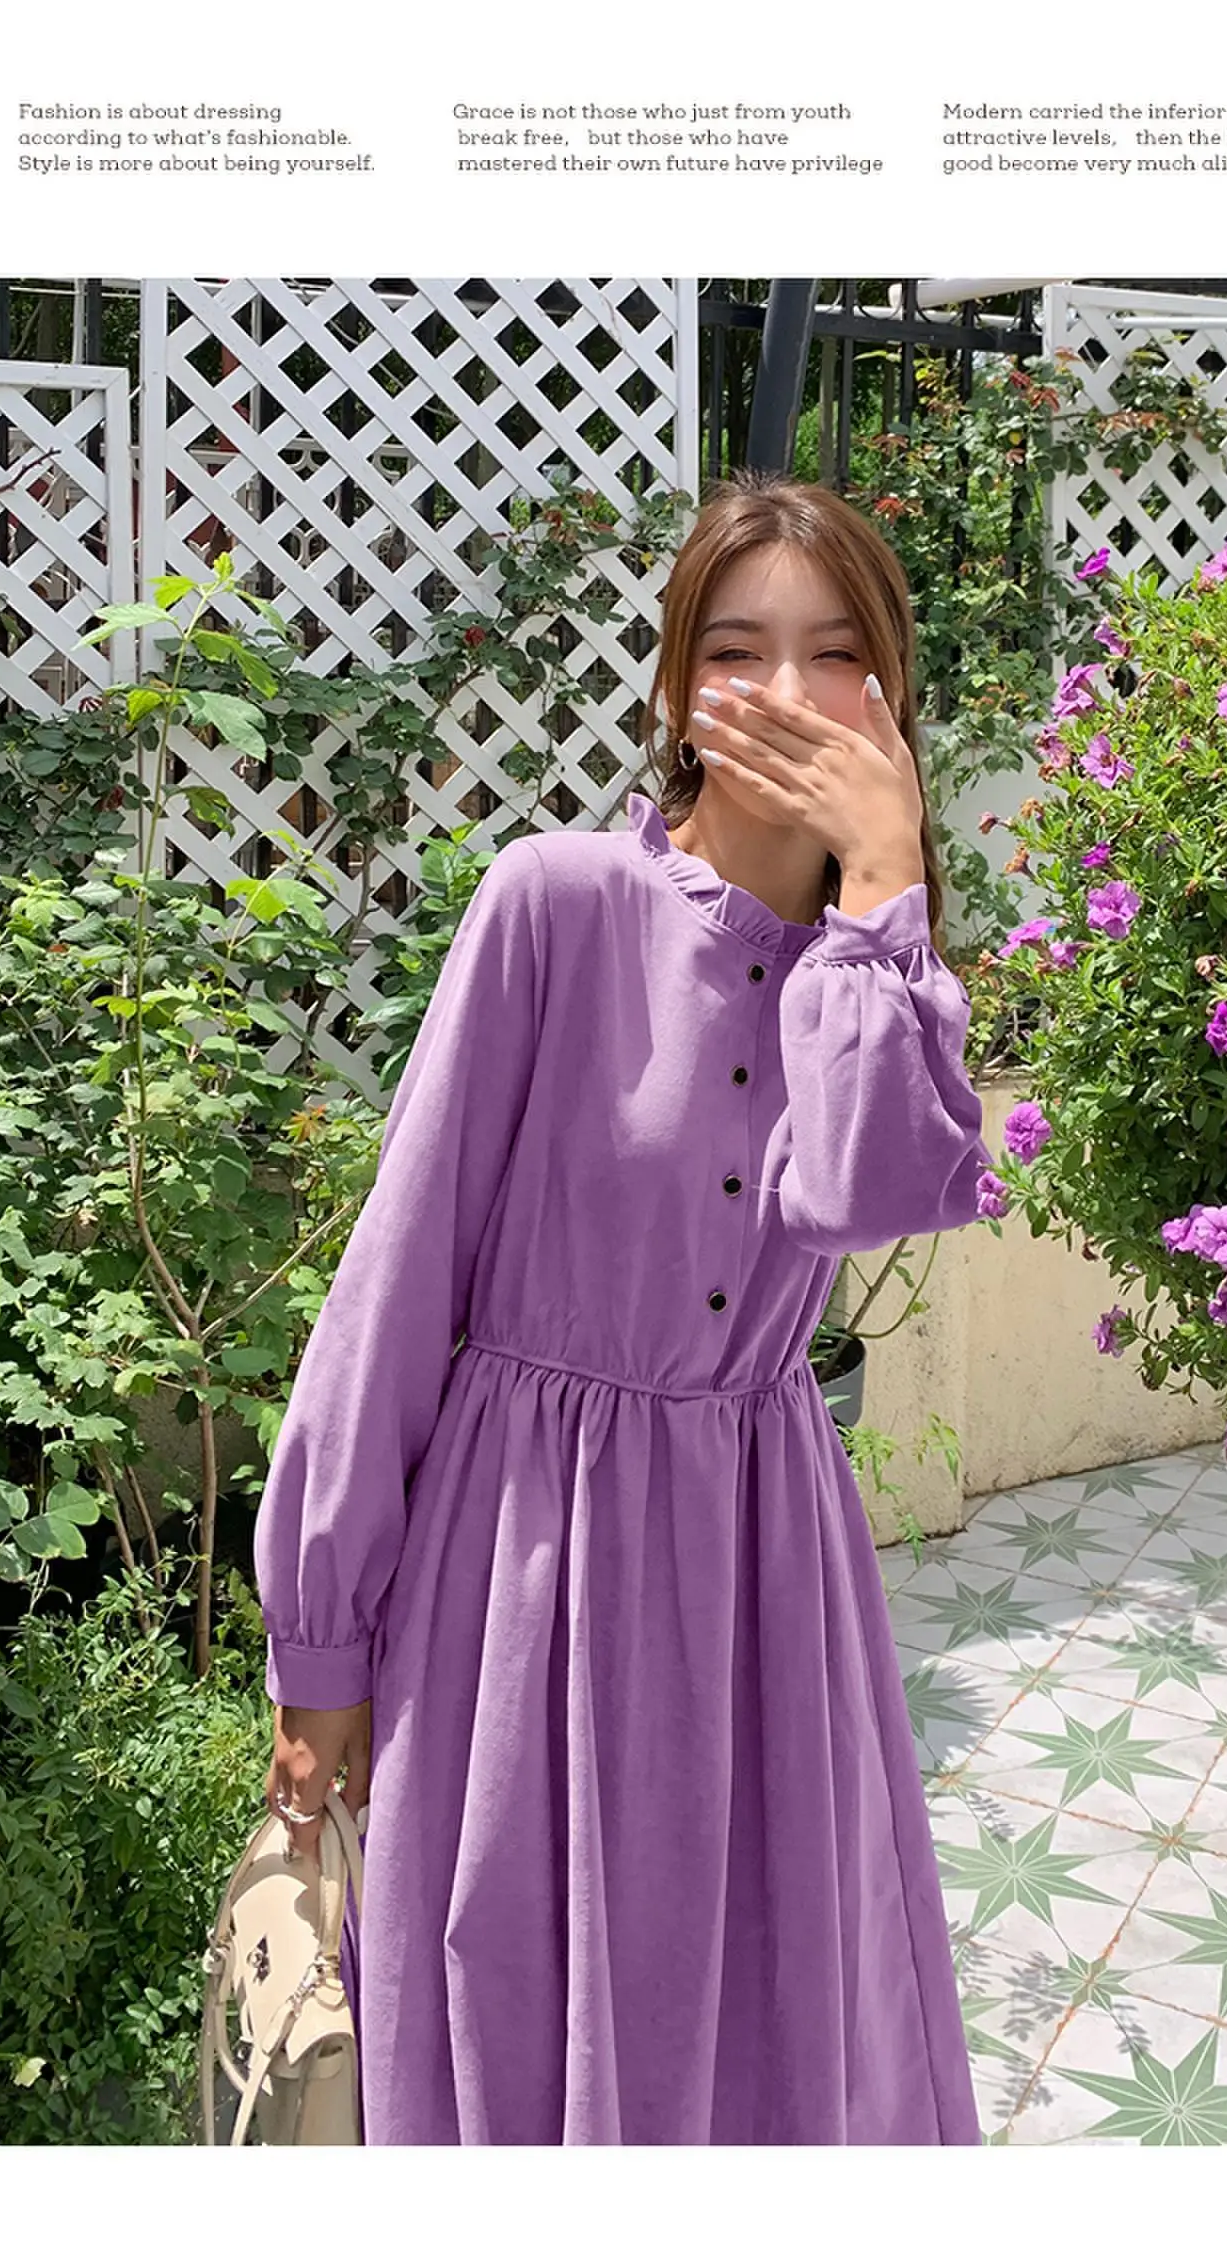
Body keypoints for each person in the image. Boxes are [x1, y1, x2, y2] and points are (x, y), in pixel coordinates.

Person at [253, 469, 992, 2145]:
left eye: (837, 655)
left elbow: (868, 1192)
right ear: (674, 687)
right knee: (510, 1998)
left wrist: (882, 882)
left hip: (762, 1565)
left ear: (891, 697)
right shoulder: (556, 902)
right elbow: (400, 1273)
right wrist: (323, 1634)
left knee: (768, 2024)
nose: (786, 692)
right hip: (526, 1564)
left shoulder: (883, 975)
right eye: (736, 650)